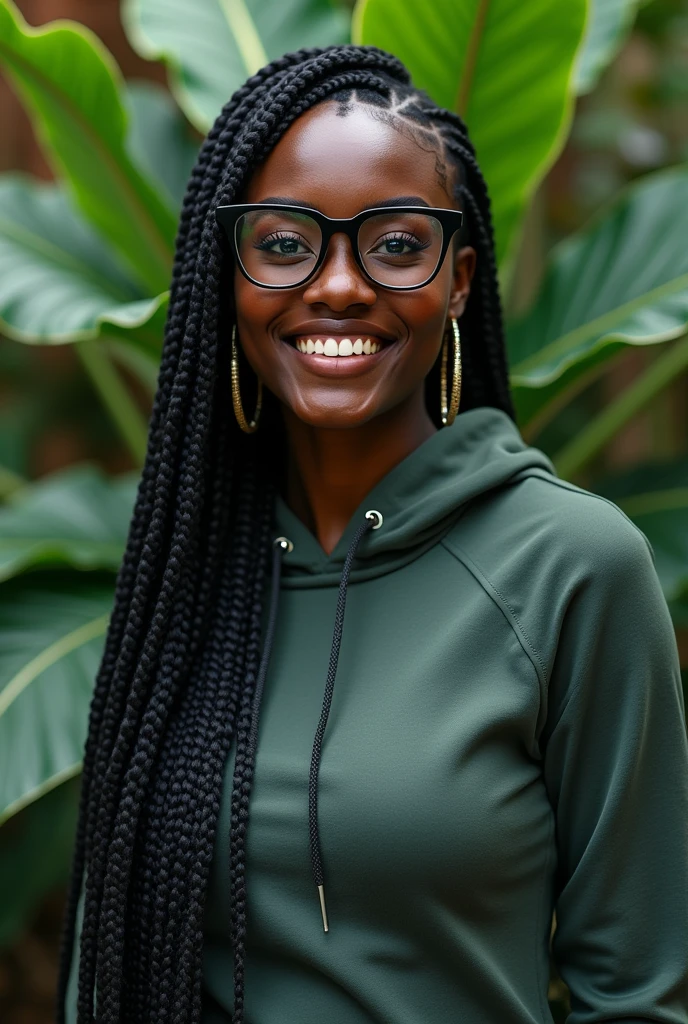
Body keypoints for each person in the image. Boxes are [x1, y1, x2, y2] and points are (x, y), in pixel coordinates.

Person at [57, 45, 688, 1024]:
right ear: (228, 277)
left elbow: (638, 994)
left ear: (461, 279)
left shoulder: (573, 567)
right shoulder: (183, 573)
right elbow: (111, 955)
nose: (339, 286)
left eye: (395, 244)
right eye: (283, 243)